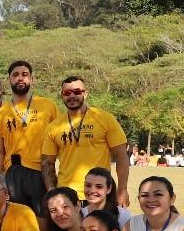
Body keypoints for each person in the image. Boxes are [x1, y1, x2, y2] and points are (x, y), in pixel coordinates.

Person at [41, 76, 129, 206]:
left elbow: (121, 157)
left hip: (99, 192)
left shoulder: (104, 119)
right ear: (62, 95)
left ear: (85, 94)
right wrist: (52, 192)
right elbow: (47, 163)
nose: (72, 96)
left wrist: (122, 190)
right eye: (67, 93)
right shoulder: (53, 126)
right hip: (66, 196)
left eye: (77, 92)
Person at [0, 60, 58, 213]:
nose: (20, 78)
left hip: (42, 171)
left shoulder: (48, 105)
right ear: (9, 80)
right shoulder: (0, 113)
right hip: (13, 173)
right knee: (15, 219)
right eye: (15, 75)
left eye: (24, 74)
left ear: (32, 79)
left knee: (44, 218)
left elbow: (58, 140)